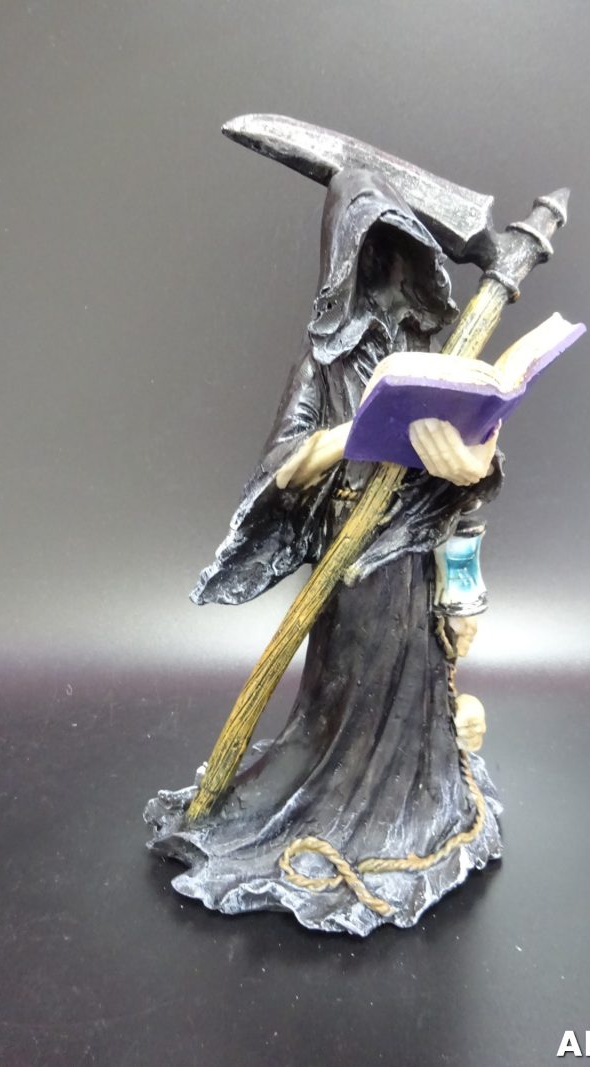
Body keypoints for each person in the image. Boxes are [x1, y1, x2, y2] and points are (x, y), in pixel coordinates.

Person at [146, 169, 504, 935]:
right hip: (351, 569)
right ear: (346, 261)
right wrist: (356, 432)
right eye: (371, 252)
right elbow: (282, 464)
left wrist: (471, 463)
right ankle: (333, 800)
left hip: (411, 562)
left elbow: (473, 467)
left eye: (398, 252)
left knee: (416, 694)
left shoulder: (430, 349)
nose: (385, 271)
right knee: (344, 699)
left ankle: (410, 803)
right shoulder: (323, 365)